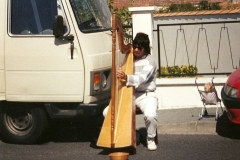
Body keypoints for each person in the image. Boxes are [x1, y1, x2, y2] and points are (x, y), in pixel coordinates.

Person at [103, 32, 158, 151]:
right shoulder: (129, 57)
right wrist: (119, 70)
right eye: (135, 46)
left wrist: (126, 77)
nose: (137, 49)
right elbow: (122, 75)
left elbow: (142, 79)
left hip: (146, 95)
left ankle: (150, 138)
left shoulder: (150, 61)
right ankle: (133, 134)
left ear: (146, 48)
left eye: (140, 47)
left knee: (150, 115)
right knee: (107, 112)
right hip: (129, 94)